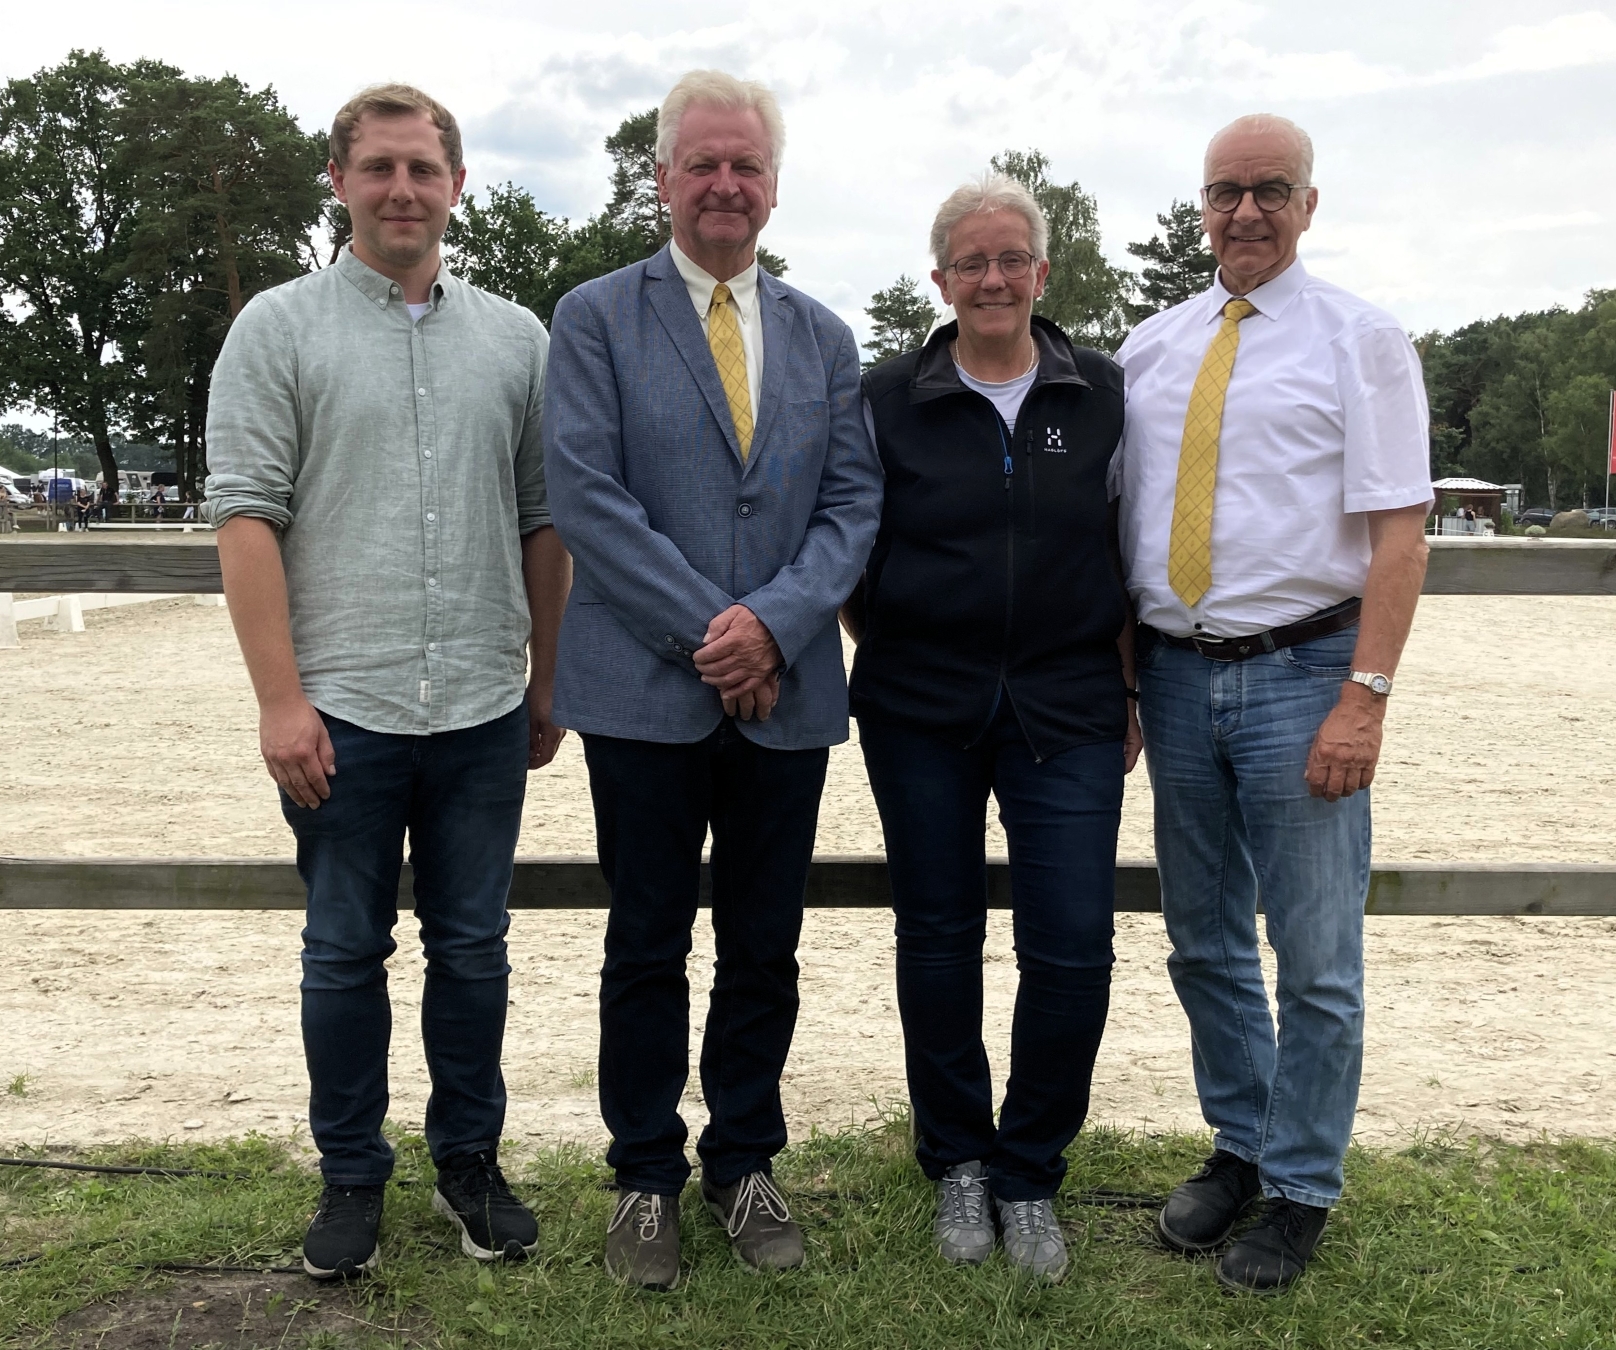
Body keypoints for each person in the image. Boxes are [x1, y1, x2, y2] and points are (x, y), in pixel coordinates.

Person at [206, 83, 570, 1280]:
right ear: (341, 182)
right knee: (341, 951)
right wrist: (279, 699)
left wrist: (545, 678)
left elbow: (541, 523)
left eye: (423, 169)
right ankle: (351, 1177)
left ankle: (470, 1162)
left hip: (476, 702)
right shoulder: (278, 328)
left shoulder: (518, 340)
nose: (403, 190)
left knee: (476, 949)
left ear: (458, 185)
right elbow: (248, 519)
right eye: (380, 169)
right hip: (341, 710)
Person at [542, 69, 881, 1290]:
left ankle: (745, 1161)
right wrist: (714, 630)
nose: (725, 185)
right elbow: (588, 496)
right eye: (703, 164)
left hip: (783, 699)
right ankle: (644, 1180)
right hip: (643, 695)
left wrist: (777, 629)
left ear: (773, 187)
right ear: (663, 177)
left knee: (764, 946)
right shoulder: (591, 320)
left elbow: (852, 506)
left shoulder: (825, 338)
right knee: (644, 944)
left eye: (746, 166)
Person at [1117, 113, 1433, 1293]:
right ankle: (1241, 1145)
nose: (1245, 211)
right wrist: (1130, 676)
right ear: (1201, 207)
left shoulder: (1363, 340)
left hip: (1305, 674)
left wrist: (1366, 696)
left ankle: (1302, 1183)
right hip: (1178, 671)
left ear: (1309, 204)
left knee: (1314, 956)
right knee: (1203, 942)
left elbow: (1402, 534)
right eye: (1224, 192)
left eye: (1270, 190)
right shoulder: (1153, 345)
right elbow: (1126, 522)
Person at [840, 174, 1138, 1282]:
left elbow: (1129, 544)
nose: (995, 278)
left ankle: (1031, 1172)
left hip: (1069, 706)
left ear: (1042, 274)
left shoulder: (1100, 392)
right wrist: (906, 649)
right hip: (919, 707)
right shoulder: (886, 398)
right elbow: (853, 559)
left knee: (1071, 946)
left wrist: (1130, 688)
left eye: (1013, 258)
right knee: (938, 936)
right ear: (941, 279)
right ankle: (958, 1159)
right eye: (972, 262)